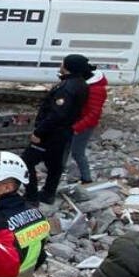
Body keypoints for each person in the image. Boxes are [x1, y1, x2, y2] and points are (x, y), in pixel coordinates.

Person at [21, 54, 90, 205]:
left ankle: (31, 195)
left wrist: (39, 132)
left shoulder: (67, 87)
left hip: (51, 134)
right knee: (55, 165)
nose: (60, 65)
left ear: (68, 67)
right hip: (63, 133)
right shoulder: (81, 84)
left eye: (63, 63)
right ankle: (48, 193)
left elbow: (57, 114)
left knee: (26, 162)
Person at [66, 58, 107, 185]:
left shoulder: (95, 89)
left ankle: (86, 178)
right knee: (74, 151)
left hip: (84, 125)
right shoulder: (90, 86)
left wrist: (76, 127)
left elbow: (94, 114)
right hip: (80, 123)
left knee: (77, 152)